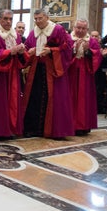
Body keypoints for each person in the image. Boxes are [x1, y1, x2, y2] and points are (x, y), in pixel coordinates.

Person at [22, 9, 74, 138]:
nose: (38, 21)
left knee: (53, 99)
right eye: (36, 19)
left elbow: (67, 48)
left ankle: (53, 130)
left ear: (46, 17)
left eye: (40, 18)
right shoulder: (33, 32)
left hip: (52, 70)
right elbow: (27, 49)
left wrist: (51, 51)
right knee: (34, 98)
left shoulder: (57, 30)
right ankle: (33, 128)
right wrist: (30, 52)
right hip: (36, 71)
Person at [0, 9, 27, 138]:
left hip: (13, 73)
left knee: (13, 102)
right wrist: (9, 52)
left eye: (10, 19)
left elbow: (22, 56)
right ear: (0, 19)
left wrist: (21, 52)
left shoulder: (16, 35)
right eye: (6, 19)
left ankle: (10, 128)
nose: (8, 22)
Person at [68, 19, 101, 135]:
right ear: (74, 27)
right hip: (70, 74)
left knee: (84, 99)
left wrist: (89, 51)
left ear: (87, 29)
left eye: (83, 28)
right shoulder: (68, 39)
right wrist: (73, 50)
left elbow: (97, 56)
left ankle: (83, 126)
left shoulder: (91, 41)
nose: (80, 30)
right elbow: (62, 55)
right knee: (70, 98)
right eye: (78, 27)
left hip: (85, 74)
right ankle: (69, 124)